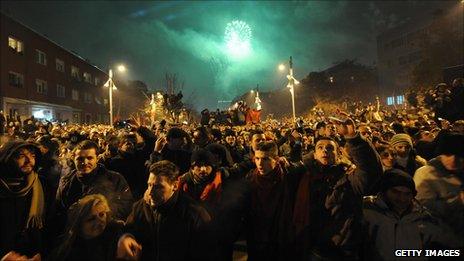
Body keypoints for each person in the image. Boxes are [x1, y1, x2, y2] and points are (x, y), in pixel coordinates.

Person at [294, 118, 382, 260]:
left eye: (330, 148)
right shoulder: (303, 176)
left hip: (343, 248)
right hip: (312, 246)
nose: (325, 151)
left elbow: (370, 171)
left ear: (338, 154)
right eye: (320, 148)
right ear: (314, 154)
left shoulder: (349, 177)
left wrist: (354, 139)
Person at [117, 160, 214, 261]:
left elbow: (206, 253)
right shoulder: (140, 207)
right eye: (149, 185)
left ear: (175, 186)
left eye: (158, 187)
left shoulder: (195, 215)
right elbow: (128, 229)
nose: (150, 192)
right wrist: (126, 237)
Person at [363, 170, 462, 260]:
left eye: (407, 194)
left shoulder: (424, 218)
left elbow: (454, 248)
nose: (402, 199)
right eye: (395, 192)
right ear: (384, 191)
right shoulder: (367, 211)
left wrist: (419, 254)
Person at [244, 141, 304, 261]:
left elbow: (304, 165)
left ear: (276, 159)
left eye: (265, 159)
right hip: (257, 235)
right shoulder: (251, 178)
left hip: (280, 236)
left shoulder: (288, 176)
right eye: (257, 158)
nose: (260, 163)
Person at [56, 140, 134, 223]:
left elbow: (126, 205)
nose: (85, 162)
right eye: (80, 159)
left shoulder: (115, 179)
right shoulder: (66, 181)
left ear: (97, 158)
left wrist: (100, 213)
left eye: (89, 158)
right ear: (74, 159)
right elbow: (58, 210)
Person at [413, 131, 464, 239]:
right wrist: (458, 201)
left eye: (459, 155)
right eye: (448, 154)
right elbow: (421, 208)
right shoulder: (425, 174)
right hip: (441, 239)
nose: (453, 160)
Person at [0, 141, 45, 258]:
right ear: (7, 158)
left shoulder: (42, 185)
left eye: (32, 156)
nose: (29, 161)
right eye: (21, 156)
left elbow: (48, 222)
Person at [49, 194, 123, 261]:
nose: (99, 221)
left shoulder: (115, 235)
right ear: (79, 224)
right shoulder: (70, 252)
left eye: (101, 214)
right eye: (91, 219)